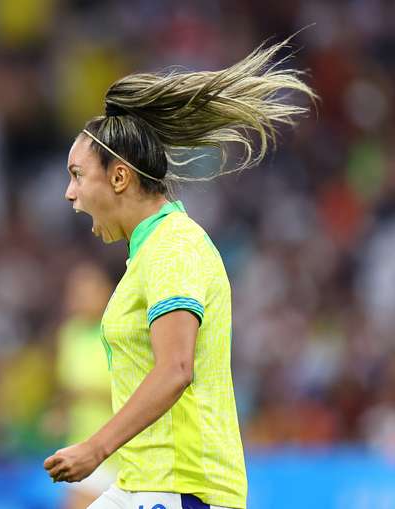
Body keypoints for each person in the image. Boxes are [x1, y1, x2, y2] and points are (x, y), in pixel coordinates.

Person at [43, 38, 316, 509]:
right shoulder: (149, 254)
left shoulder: (174, 248)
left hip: (186, 489)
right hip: (144, 484)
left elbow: (175, 369)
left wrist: (95, 447)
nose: (70, 193)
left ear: (119, 177)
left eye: (77, 175)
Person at [55, 262, 120, 509]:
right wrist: (59, 413)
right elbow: (66, 389)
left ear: (108, 290)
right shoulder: (70, 334)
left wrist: (91, 394)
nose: (79, 298)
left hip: (121, 450)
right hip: (82, 446)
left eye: (87, 290)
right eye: (75, 292)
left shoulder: (120, 332)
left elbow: (140, 392)